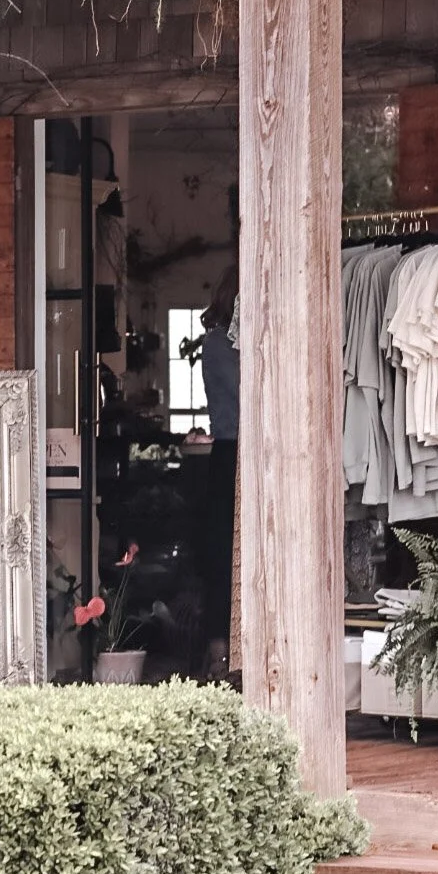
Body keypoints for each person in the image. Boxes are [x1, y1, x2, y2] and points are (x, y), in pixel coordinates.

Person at [200, 266, 239, 679]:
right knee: (224, 556)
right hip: (235, 453)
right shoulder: (220, 345)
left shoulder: (216, 345)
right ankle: (221, 654)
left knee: (221, 554)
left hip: (231, 453)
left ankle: (223, 653)